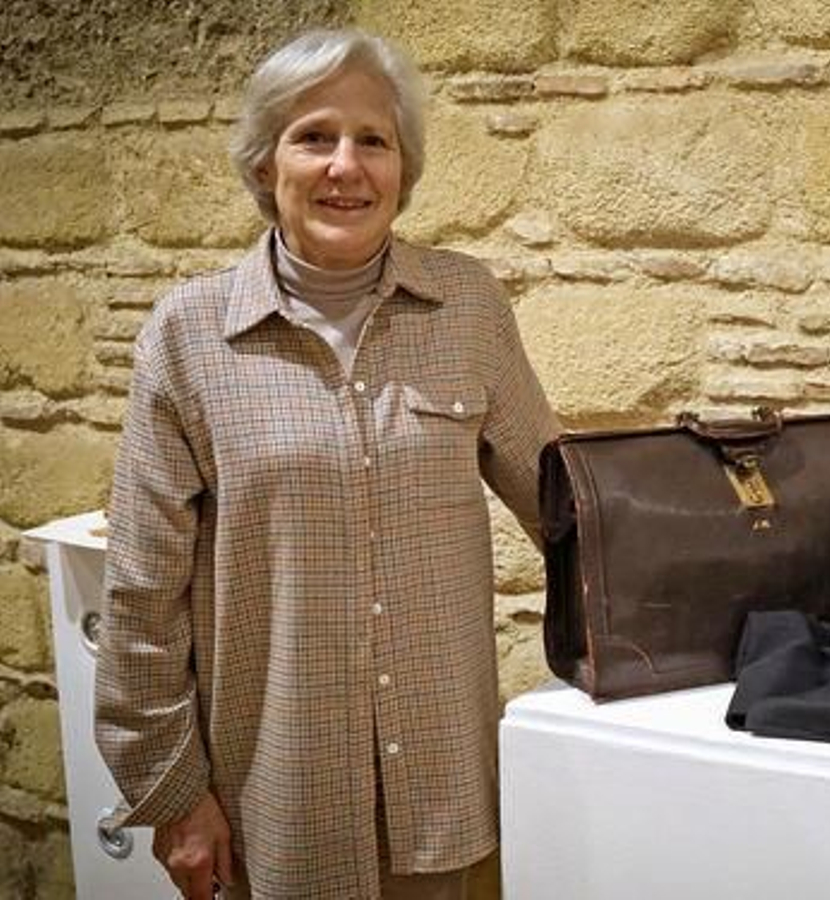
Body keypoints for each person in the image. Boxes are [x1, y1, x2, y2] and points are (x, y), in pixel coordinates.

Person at [93, 28, 561, 899]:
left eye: (372, 141)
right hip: (273, 806)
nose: (346, 165)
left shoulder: (469, 305)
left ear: (402, 169)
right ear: (267, 165)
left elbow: (570, 510)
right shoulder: (188, 338)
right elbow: (140, 596)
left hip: (440, 796)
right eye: (315, 136)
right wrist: (171, 795)